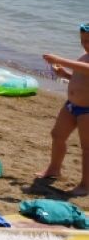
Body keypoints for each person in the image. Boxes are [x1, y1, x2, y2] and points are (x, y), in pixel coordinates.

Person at [38, 23, 89, 196]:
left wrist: (59, 59)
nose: (85, 44)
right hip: (71, 105)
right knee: (57, 135)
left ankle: (85, 184)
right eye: (83, 41)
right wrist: (64, 74)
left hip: (87, 110)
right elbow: (79, 75)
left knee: (86, 148)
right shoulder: (83, 56)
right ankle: (54, 169)